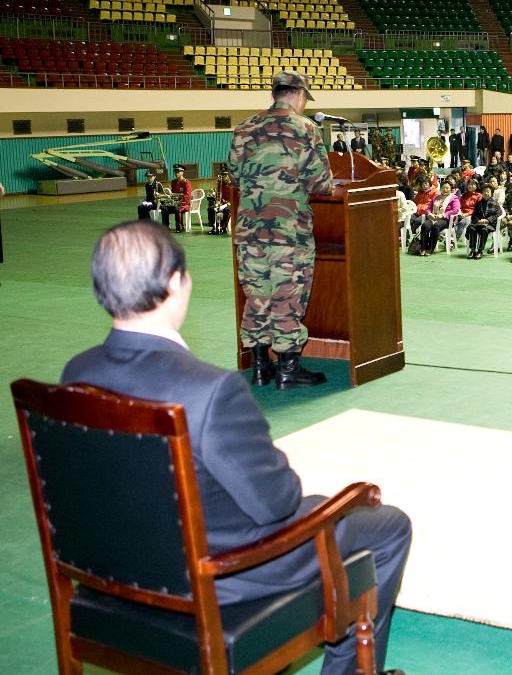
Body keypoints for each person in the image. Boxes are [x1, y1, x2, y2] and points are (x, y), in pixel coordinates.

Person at [62, 221, 411, 675]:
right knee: (384, 524)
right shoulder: (209, 390)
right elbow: (276, 502)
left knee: (323, 507)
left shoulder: (76, 374)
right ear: (175, 284)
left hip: (113, 572)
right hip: (218, 577)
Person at [228, 70, 332, 390]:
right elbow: (321, 183)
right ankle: (287, 369)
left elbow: (233, 175)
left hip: (250, 232)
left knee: (257, 297)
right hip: (289, 233)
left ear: (276, 94)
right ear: (299, 96)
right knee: (287, 296)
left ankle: (260, 367)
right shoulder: (306, 129)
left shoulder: (244, 128)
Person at [464, 184, 502, 258]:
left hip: (490, 225)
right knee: (472, 228)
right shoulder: (478, 203)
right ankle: (473, 250)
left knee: (483, 229)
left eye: (488, 191)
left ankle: (480, 250)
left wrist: (487, 220)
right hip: (478, 224)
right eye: (484, 191)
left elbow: (498, 215)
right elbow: (474, 215)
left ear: (492, 193)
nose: (486, 193)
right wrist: (479, 220)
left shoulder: (495, 203)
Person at [160, 165, 193, 233]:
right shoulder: (173, 182)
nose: (176, 173)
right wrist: (169, 200)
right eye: (175, 172)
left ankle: (180, 227)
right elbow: (173, 194)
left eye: (178, 172)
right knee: (164, 208)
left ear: (182, 172)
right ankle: (166, 227)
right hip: (175, 204)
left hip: (184, 205)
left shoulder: (186, 183)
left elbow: (187, 196)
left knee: (177, 208)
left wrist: (179, 202)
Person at [209, 169, 233, 235]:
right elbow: (218, 195)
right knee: (211, 209)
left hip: (232, 204)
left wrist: (225, 205)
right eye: (222, 175)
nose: (223, 176)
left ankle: (223, 227)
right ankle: (214, 227)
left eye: (225, 175)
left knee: (226, 210)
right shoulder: (221, 183)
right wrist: (217, 203)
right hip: (222, 203)